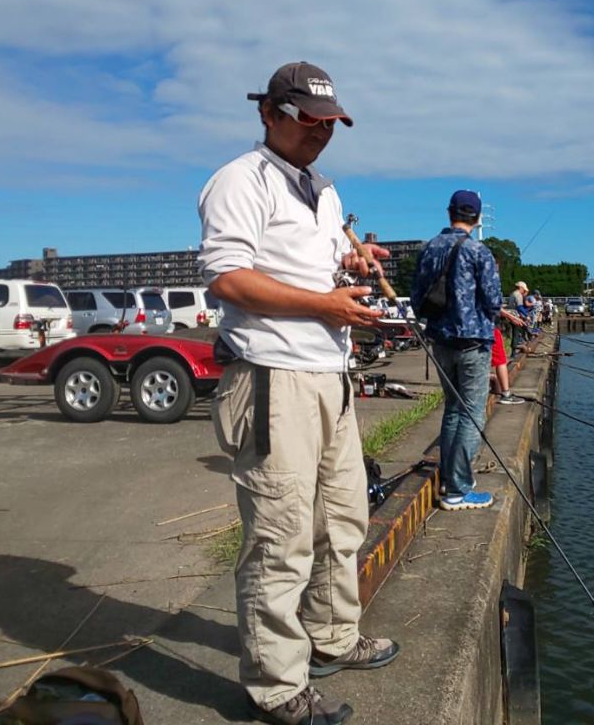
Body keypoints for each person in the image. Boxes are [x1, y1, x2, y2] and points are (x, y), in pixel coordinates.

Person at [198, 61, 398, 725]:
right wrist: (323, 305)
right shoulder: (240, 180)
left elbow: (313, 264)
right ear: (269, 114)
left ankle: (332, 636)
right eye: (307, 121)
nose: (320, 133)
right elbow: (227, 279)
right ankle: (276, 686)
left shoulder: (325, 191)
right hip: (272, 377)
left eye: (330, 123)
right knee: (279, 538)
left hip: (330, 376)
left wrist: (350, 261)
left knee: (342, 518)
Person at [410, 190, 503, 510]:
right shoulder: (479, 251)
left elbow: (416, 297)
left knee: (452, 409)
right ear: (477, 218)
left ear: (450, 212)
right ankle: (458, 489)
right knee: (472, 413)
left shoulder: (428, 248)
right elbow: (493, 300)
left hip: (441, 341)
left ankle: (451, 478)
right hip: (473, 342)